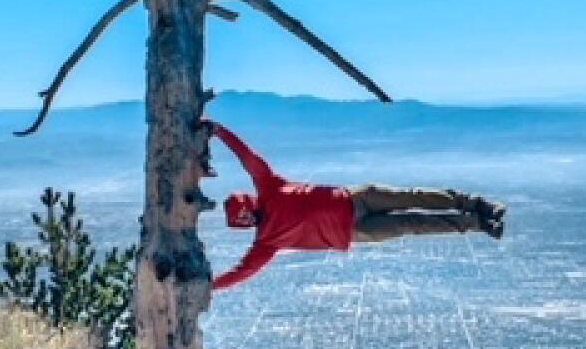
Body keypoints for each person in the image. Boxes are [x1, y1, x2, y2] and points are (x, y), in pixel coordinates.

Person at [201, 120, 506, 291]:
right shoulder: (267, 210)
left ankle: (478, 213)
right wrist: (219, 132)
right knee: (412, 208)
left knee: (412, 213)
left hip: (355, 211)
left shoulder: (266, 221)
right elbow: (248, 158)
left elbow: (241, 273)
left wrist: (209, 288)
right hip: (355, 216)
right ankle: (478, 216)